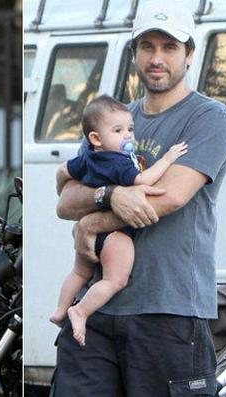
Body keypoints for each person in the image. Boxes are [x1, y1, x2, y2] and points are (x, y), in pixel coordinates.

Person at [51, 2, 226, 395]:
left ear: (189, 54)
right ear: (133, 53)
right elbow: (65, 200)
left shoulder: (209, 118)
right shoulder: (114, 118)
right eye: (147, 46)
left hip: (169, 310)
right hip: (95, 311)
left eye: (169, 47)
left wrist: (92, 221)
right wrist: (110, 194)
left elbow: (167, 198)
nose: (157, 58)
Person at [49, 95, 188, 346]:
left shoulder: (89, 156)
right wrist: (167, 159)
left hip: (88, 234)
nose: (128, 136)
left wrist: (61, 184)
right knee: (115, 280)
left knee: (79, 272)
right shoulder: (119, 163)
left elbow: (63, 172)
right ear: (95, 138)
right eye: (118, 130)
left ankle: (60, 309)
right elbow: (143, 181)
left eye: (130, 130)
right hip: (115, 235)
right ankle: (80, 312)